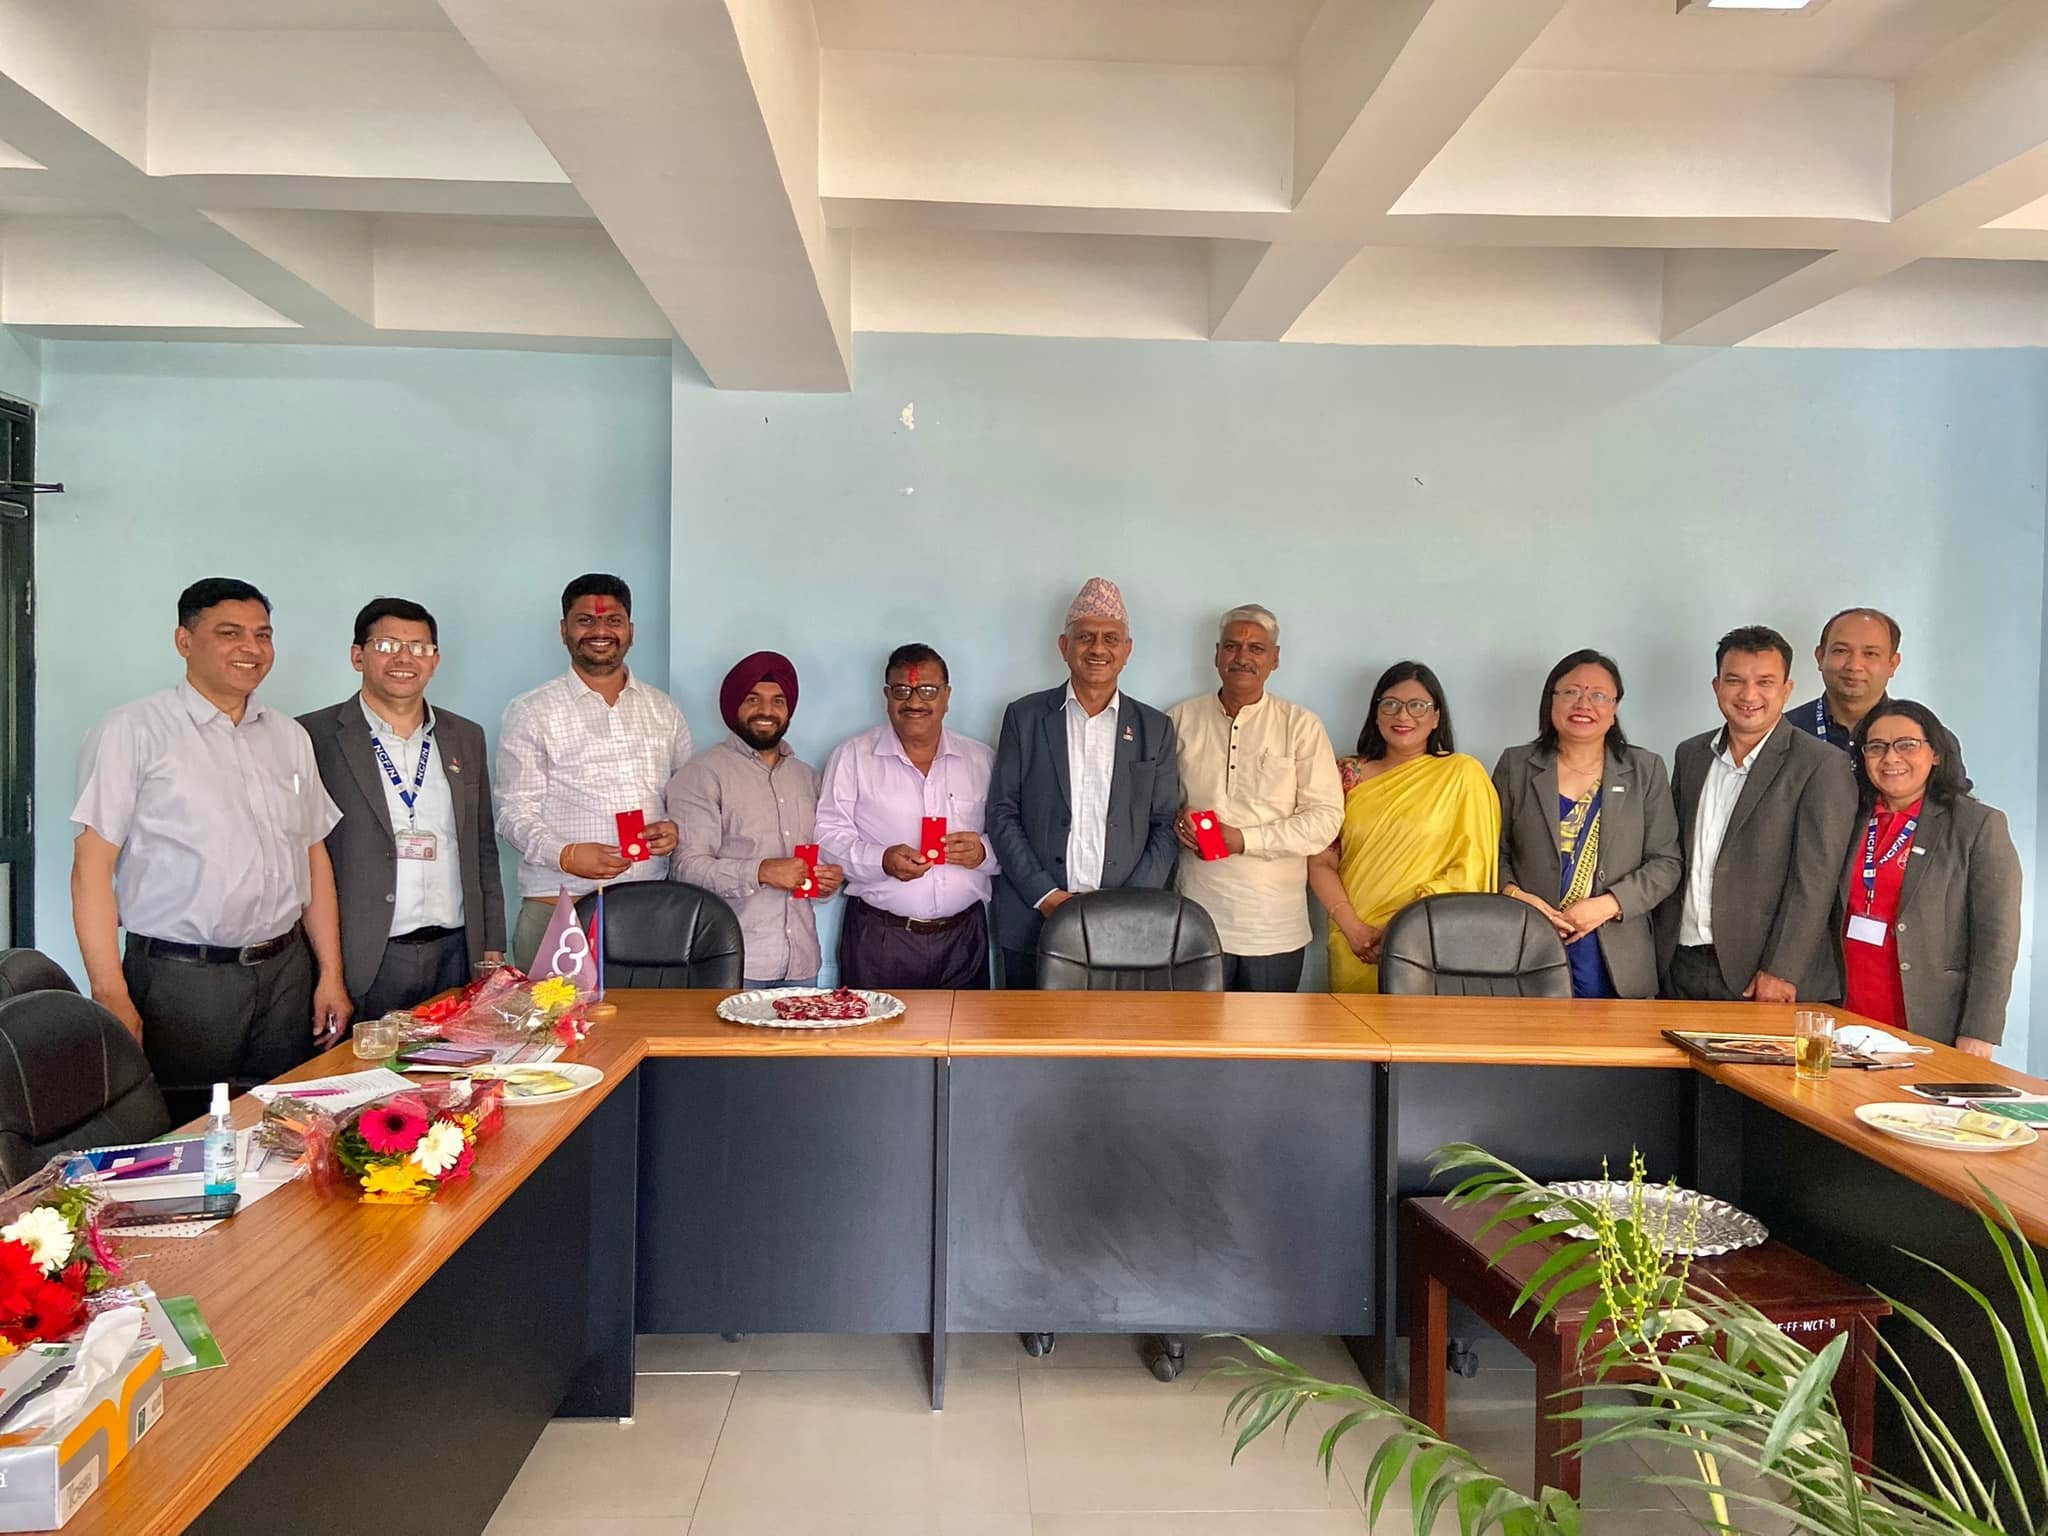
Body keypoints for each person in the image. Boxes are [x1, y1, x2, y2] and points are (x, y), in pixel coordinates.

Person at [70, 578, 348, 1120]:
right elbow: (91, 869)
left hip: (285, 972)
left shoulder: (289, 736)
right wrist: (111, 994)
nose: (252, 648)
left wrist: (330, 974)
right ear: (184, 641)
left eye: (263, 634)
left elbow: (313, 856)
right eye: (229, 633)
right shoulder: (133, 731)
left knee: (282, 1127)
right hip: (181, 979)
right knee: (184, 1135)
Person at [301, 597, 506, 1021]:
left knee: (456, 1061)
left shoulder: (465, 736)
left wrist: (491, 948)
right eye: (387, 645)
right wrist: (328, 972)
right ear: (358, 656)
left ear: (435, 661)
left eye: (419, 648)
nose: (404, 658)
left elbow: (482, 848)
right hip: (363, 956)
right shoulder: (313, 736)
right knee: (359, 1063)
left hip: (455, 949)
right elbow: (303, 855)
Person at [989, 577, 1180, 991]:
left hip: (1127, 927)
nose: (1098, 648)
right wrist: (1045, 895)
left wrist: (1124, 907)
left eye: (1111, 638)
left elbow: (1165, 824)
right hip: (1034, 917)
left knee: (1117, 1031)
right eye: (1085, 637)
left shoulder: (1154, 727)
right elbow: (1002, 813)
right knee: (1027, 1029)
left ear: (1127, 650)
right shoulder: (1024, 717)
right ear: (1064, 646)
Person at [495, 574, 692, 970]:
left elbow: (689, 798)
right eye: (585, 620)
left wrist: (675, 828)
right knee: (555, 1013)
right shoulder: (532, 711)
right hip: (560, 903)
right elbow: (512, 811)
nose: (600, 631)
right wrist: (565, 855)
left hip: (648, 904)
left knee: (648, 1012)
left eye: (613, 621)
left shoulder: (663, 710)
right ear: (564, 630)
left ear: (630, 631)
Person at [1657, 625, 1857, 1004]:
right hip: (1680, 961)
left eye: (1765, 682)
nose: (1749, 695)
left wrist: (1783, 969)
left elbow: (1815, 881)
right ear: (1717, 686)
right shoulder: (1691, 754)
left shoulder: (1821, 764)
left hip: (1761, 973)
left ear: (1787, 689)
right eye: (1735, 681)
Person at [1167, 604, 1342, 992]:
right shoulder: (1181, 719)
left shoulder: (1300, 726)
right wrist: (1178, 818)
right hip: (1196, 920)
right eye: (1231, 646)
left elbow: (1325, 819)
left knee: (1267, 1032)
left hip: (1273, 928)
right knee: (1194, 1028)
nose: (1242, 657)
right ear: (1217, 654)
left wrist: (1245, 840)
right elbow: (1156, 805)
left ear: (1275, 658)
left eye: (1256, 648)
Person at [1494, 650, 1681, 999]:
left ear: (1614, 708)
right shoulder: (1515, 766)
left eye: (1598, 695)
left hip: (1615, 954)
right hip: (1528, 943)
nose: (1584, 704)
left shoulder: (1645, 769)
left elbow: (1666, 863)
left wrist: (1608, 905)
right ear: (1551, 700)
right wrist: (1518, 897)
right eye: (1571, 692)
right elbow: (1493, 852)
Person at [1841, 700, 2019, 1055]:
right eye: (1876, 747)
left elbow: (1997, 940)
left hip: (1930, 1021)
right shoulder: (1848, 815)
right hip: (1844, 1014)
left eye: (1906, 745)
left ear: (1935, 753)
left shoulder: (1977, 825)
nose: (1890, 758)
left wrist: (1979, 1031)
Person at [1309, 661, 1498, 994]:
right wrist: (1353, 928)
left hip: (1430, 941)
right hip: (1356, 943)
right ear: (1376, 713)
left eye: (1417, 706)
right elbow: (1321, 860)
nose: (1403, 715)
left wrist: (1403, 927)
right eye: (1391, 704)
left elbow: (1473, 869)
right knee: (1353, 1026)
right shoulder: (1346, 774)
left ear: (1436, 716)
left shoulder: (1463, 774)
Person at [815, 645, 997, 989]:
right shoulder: (853, 757)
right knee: (877, 1026)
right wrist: (881, 860)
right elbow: (828, 837)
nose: (914, 702)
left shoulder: (982, 760)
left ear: (947, 696)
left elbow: (1011, 832)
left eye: (927, 690)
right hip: (880, 939)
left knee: (965, 1027)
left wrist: (983, 852)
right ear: (886, 695)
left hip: (964, 940)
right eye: (902, 690)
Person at [670, 651, 842, 989]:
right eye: (753, 699)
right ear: (733, 706)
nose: (766, 711)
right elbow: (686, 869)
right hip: (731, 962)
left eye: (778, 701)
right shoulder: (703, 773)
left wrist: (827, 882)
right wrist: (760, 871)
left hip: (802, 962)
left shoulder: (807, 777)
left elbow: (817, 862)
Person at [1792, 607, 1968, 781]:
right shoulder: (1786, 731)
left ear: (1893, 664)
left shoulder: (1930, 739)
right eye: (1841, 651)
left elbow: (1952, 797)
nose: (1854, 666)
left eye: (1870, 654)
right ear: (1820, 657)